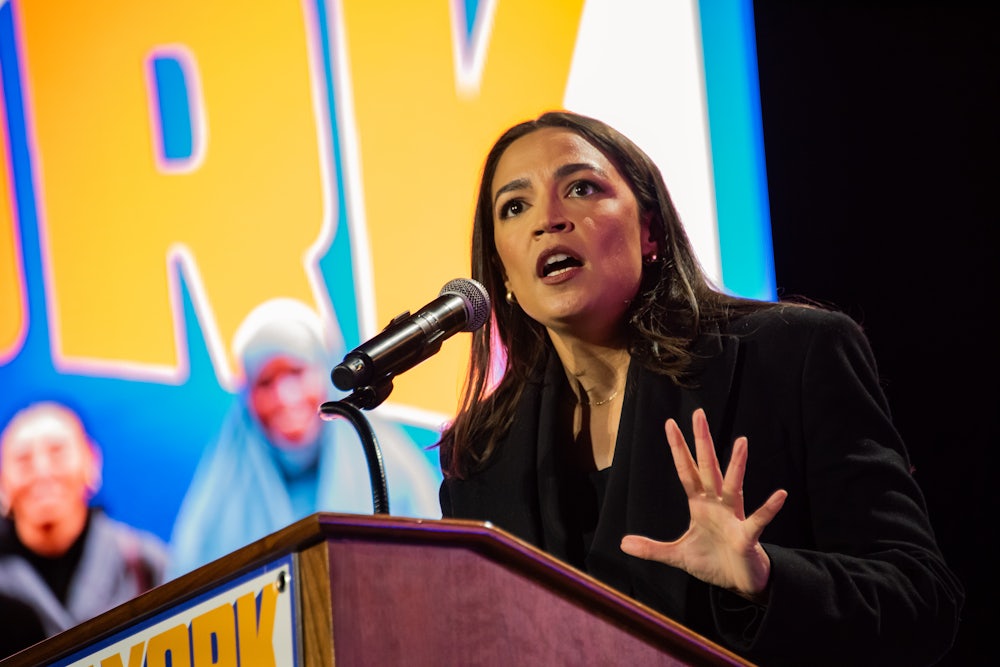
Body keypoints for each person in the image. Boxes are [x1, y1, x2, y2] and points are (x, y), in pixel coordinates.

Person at [437, 111, 964, 666]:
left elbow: (922, 598)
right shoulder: (479, 456)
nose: (548, 220)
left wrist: (766, 579)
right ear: (502, 271)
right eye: (514, 207)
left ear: (650, 232)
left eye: (582, 188)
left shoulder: (792, 355)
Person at [168, 298, 441, 577]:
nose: (284, 397)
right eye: (265, 382)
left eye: (297, 372)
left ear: (326, 373)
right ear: (247, 398)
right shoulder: (217, 506)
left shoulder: (389, 469)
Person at [0, 401, 168, 658]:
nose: (42, 471)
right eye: (23, 459)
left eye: (57, 452)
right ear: (3, 479)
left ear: (91, 461)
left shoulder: (144, 562)